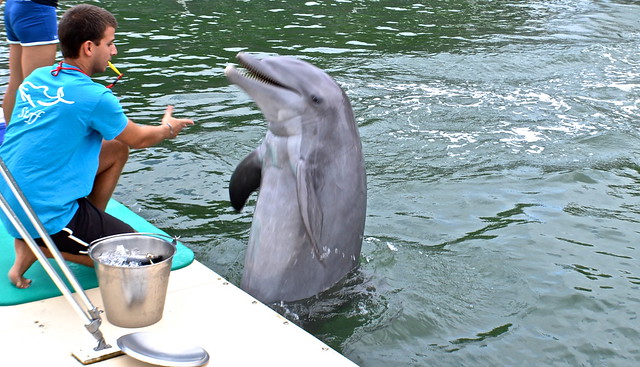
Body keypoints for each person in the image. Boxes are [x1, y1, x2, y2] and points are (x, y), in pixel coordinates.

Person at [0, 4, 194, 288]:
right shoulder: (94, 96)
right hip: (42, 215)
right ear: (89, 47)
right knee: (144, 261)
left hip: (11, 202)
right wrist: (167, 128)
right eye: (110, 43)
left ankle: (79, 226)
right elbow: (139, 138)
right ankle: (43, 247)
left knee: (115, 149)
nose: (113, 51)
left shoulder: (37, 78)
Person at [2, 0, 60, 134]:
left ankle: (12, 141)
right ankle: (31, 144)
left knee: (15, 83)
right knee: (37, 88)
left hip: (13, 6)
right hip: (37, 10)